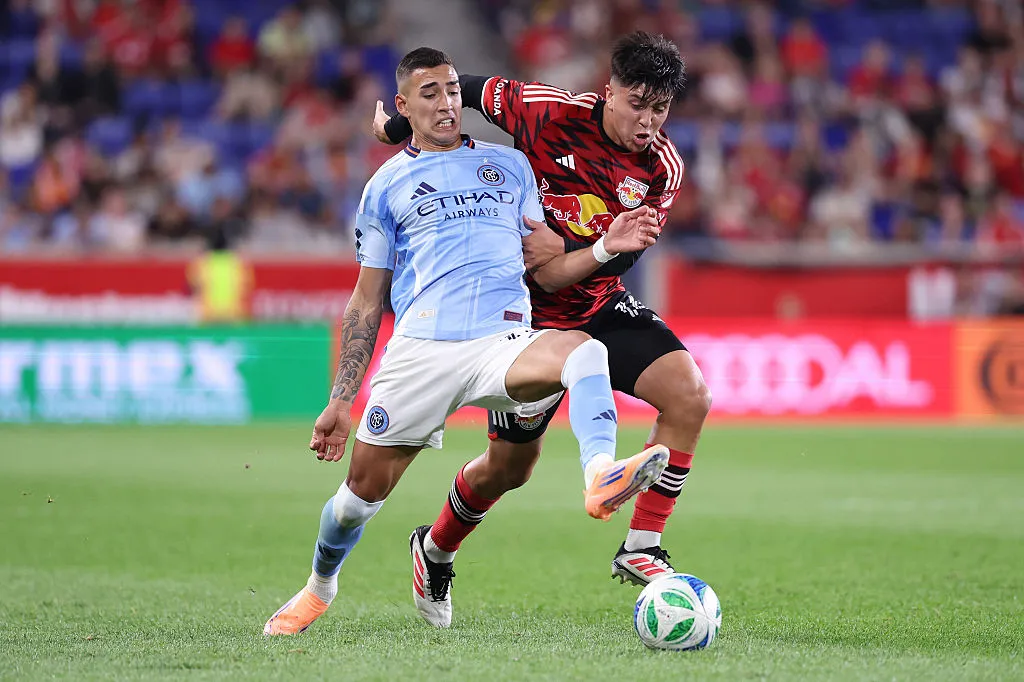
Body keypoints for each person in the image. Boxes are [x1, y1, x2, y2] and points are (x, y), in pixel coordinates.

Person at [264, 47, 668, 636]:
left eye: (453, 90)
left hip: (502, 341)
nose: (447, 103)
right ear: (404, 106)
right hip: (421, 351)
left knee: (585, 350)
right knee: (358, 497)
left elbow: (547, 270)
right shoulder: (385, 185)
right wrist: (339, 400)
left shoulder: (511, 168)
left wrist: (604, 248)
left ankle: (601, 473)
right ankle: (318, 588)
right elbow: (365, 298)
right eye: (430, 93)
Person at [373, 32, 710, 617]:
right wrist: (401, 131)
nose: (647, 122)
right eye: (637, 103)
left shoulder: (661, 169)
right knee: (509, 470)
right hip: (522, 321)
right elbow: (463, 92)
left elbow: (595, 264)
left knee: (690, 396)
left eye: (660, 109)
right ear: (609, 92)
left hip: (594, 303)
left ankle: (641, 546)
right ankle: (434, 548)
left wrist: (587, 247)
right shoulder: (547, 110)